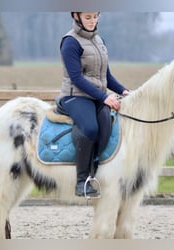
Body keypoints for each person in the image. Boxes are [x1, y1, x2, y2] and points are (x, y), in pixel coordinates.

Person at [58, 12, 130, 197]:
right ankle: (81, 181)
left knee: (106, 127)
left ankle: (95, 171)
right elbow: (76, 78)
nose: (92, 21)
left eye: (94, 17)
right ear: (76, 16)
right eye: (87, 17)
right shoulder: (70, 42)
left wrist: (124, 91)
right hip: (75, 96)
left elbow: (107, 76)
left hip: (97, 97)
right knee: (90, 129)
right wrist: (104, 98)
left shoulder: (99, 41)